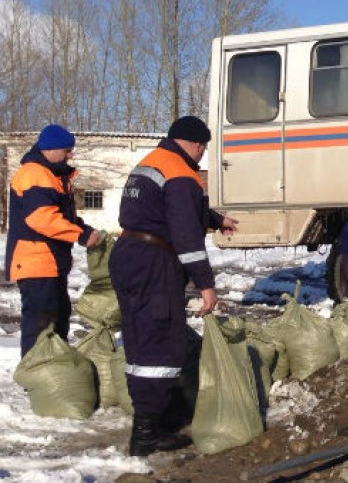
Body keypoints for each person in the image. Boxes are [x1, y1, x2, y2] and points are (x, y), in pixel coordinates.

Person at [108, 115, 238, 457]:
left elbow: (168, 209)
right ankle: (148, 433)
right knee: (160, 343)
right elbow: (184, 234)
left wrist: (215, 219)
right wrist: (205, 284)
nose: (202, 153)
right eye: (203, 147)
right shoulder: (182, 173)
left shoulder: (152, 162)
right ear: (196, 144)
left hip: (131, 255)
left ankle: (150, 423)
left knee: (140, 338)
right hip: (154, 261)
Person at [5, 124, 101, 357]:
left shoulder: (53, 175)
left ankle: (55, 379)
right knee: (41, 325)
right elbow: (42, 218)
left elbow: (62, 217)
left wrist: (82, 228)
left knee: (57, 320)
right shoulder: (35, 174)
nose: (70, 155)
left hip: (50, 263)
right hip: (36, 264)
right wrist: (80, 235)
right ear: (50, 149)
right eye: (67, 150)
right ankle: (38, 378)